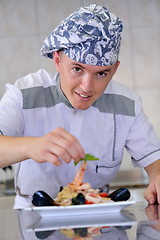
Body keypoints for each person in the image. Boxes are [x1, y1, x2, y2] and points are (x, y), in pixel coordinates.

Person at [0, 4, 160, 208]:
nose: (87, 87)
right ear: (57, 60)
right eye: (77, 69)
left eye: (101, 74)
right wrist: (31, 146)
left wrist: (158, 176)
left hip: (99, 220)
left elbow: (154, 158)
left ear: (115, 69)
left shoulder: (127, 104)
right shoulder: (23, 94)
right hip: (34, 219)